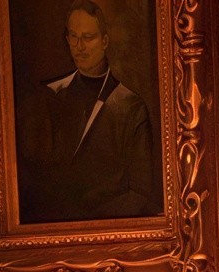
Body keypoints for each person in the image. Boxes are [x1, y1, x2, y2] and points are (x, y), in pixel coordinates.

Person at [17, 1, 161, 223]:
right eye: (73, 37)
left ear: (104, 41)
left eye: (88, 37)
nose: (79, 46)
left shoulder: (131, 107)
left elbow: (141, 193)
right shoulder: (49, 96)